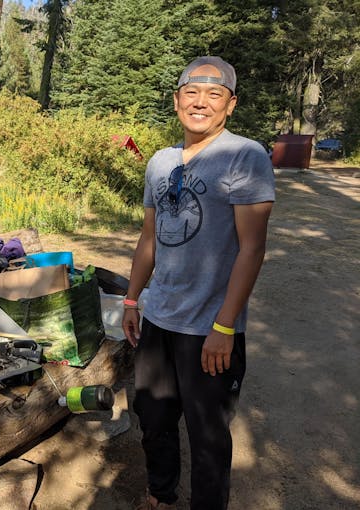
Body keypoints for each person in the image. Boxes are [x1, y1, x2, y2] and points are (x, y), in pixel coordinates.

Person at [122, 56, 275, 510]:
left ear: (230, 105)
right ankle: (161, 495)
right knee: (153, 417)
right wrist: (132, 299)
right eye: (192, 92)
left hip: (210, 329)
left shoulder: (244, 154)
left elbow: (252, 249)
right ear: (176, 101)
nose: (201, 102)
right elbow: (149, 238)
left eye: (214, 94)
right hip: (160, 317)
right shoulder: (160, 161)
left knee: (208, 436)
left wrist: (224, 326)